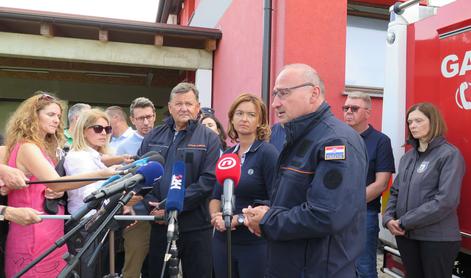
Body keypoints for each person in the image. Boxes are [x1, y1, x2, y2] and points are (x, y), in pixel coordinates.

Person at [243, 64, 368, 277]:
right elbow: (293, 199)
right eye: (275, 94)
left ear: (313, 93)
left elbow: (326, 215)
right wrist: (264, 211)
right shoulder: (297, 136)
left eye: (283, 93)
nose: (275, 103)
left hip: (318, 269)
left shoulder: (336, 142)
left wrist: (267, 220)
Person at [2, 93, 116, 277]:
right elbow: (56, 184)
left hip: (47, 230)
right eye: (51, 115)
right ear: (33, 116)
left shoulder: (35, 147)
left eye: (58, 116)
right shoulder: (28, 147)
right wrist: (101, 175)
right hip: (34, 231)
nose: (56, 121)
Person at [138, 82, 221, 277]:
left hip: (196, 226)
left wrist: (171, 205)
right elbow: (141, 173)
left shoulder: (209, 138)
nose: (184, 108)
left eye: (189, 104)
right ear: (169, 107)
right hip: (159, 223)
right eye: (178, 104)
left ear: (197, 107)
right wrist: (151, 205)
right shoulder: (152, 136)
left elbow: (208, 181)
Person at [383, 102, 464, 278]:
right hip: (406, 236)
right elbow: (395, 191)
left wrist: (404, 221)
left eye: (418, 120)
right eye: (410, 122)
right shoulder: (407, 157)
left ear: (433, 121)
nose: (413, 125)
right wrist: (388, 218)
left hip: (436, 239)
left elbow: (445, 201)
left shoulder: (449, 155)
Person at [209, 93, 278, 278]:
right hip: (223, 241)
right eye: (239, 113)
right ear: (231, 118)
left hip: (254, 244)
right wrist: (216, 216)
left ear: (260, 121)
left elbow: (277, 200)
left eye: (251, 115)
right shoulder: (227, 155)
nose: (244, 119)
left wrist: (238, 219)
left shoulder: (268, 153)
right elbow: (216, 195)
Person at [343, 91, 395, 278]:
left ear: (367, 112)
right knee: (337, 267)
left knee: (364, 268)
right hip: (334, 214)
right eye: (346, 108)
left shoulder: (380, 141)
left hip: (364, 215)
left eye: (354, 108)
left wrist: (348, 204)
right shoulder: (336, 139)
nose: (348, 111)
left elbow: (381, 184)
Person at [116, 97, 156, 278]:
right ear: (132, 120)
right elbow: (118, 180)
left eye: (149, 116)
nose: (146, 122)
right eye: (140, 118)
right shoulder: (123, 146)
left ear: (155, 116)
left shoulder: (166, 139)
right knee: (132, 269)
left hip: (162, 211)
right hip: (136, 215)